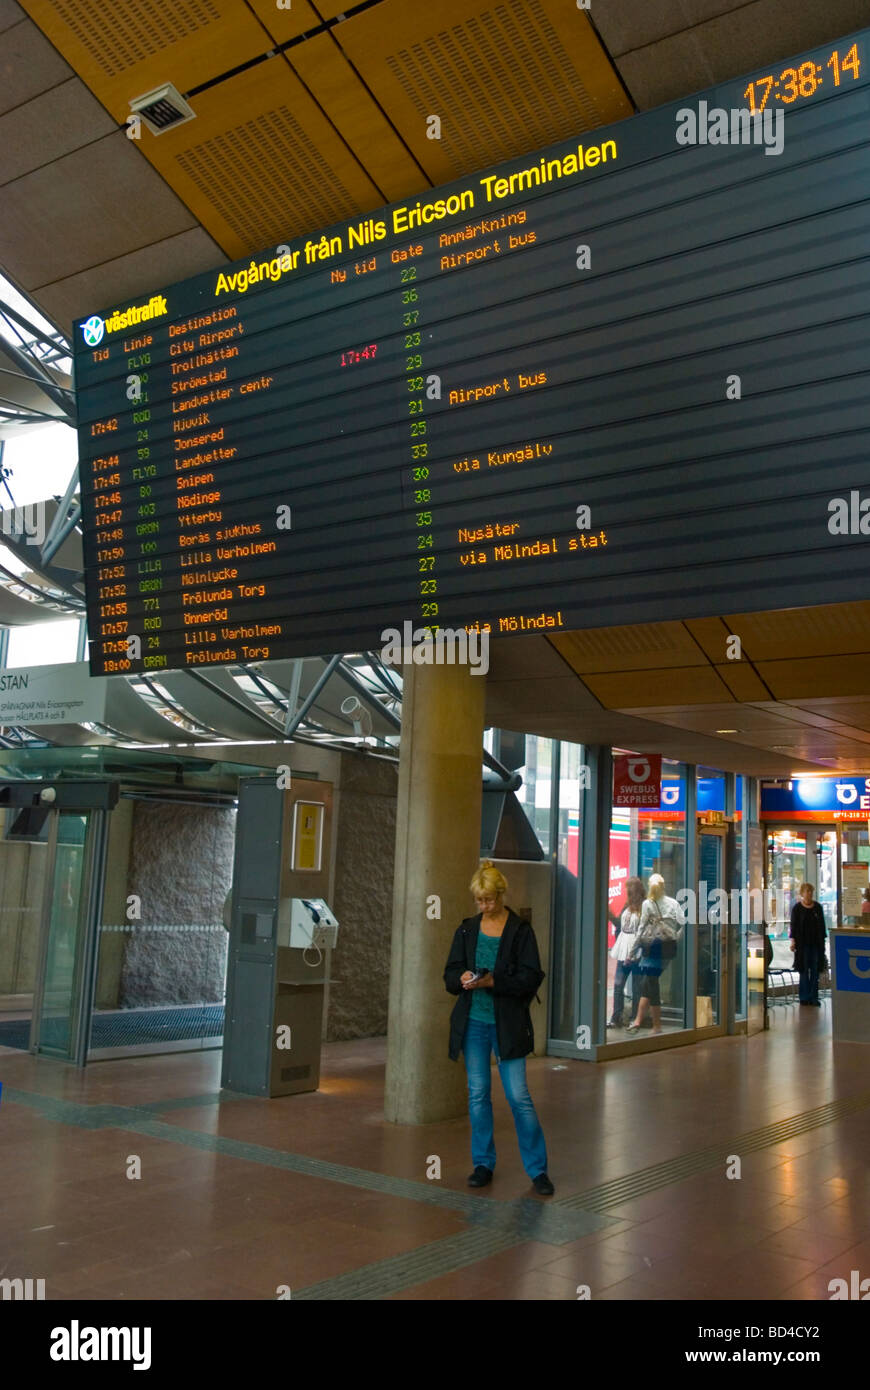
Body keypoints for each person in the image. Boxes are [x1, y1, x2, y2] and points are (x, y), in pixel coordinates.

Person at [443, 860, 553, 1196]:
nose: (484, 906)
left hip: (507, 1026)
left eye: (489, 899)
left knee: (519, 1097)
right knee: (478, 1095)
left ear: (500, 895)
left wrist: (494, 981)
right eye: (479, 900)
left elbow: (532, 976)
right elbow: (449, 973)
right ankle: (482, 1164)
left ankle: (538, 1170)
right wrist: (461, 977)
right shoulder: (466, 929)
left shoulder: (520, 931)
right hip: (474, 1023)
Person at [627, 873, 685, 1035]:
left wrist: (631, 952)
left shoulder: (648, 904)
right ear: (664, 885)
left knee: (651, 984)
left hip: (652, 949)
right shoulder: (673, 903)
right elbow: (684, 923)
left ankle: (656, 1026)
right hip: (667, 949)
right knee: (648, 983)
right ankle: (638, 1021)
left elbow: (640, 930)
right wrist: (675, 937)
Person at [608, 876, 644, 1027]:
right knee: (618, 985)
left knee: (637, 987)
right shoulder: (626, 906)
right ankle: (616, 1017)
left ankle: (635, 1018)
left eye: (629, 887)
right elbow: (621, 927)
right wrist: (610, 916)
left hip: (637, 952)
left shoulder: (645, 906)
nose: (626, 890)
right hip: (624, 951)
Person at [790, 882, 826, 1005]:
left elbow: (822, 927)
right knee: (804, 970)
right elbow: (793, 927)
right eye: (807, 891)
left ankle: (813, 997)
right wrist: (793, 941)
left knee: (815, 970)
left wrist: (823, 943)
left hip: (816, 944)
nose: (809, 894)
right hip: (802, 945)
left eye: (811, 891)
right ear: (802, 893)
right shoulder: (797, 909)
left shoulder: (818, 908)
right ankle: (804, 997)